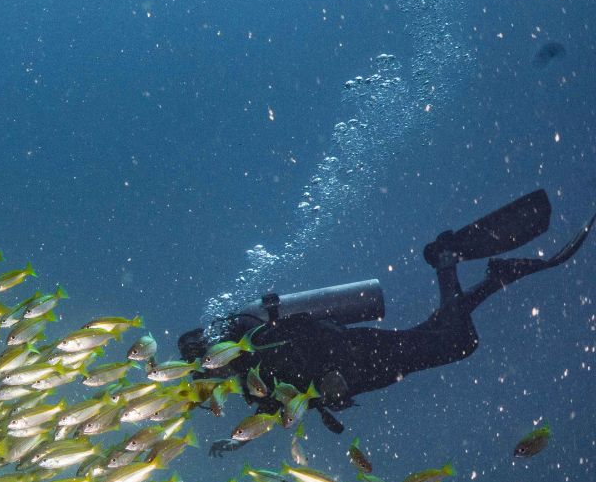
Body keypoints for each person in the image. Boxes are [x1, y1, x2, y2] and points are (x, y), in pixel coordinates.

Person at [181, 189, 592, 444]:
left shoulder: (255, 344)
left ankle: (451, 262)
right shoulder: (248, 375)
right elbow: (285, 399)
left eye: (204, 371)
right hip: (363, 367)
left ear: (207, 354)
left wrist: (331, 373)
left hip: (357, 356)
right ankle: (486, 277)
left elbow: (309, 337)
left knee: (455, 343)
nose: (210, 380)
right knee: (443, 340)